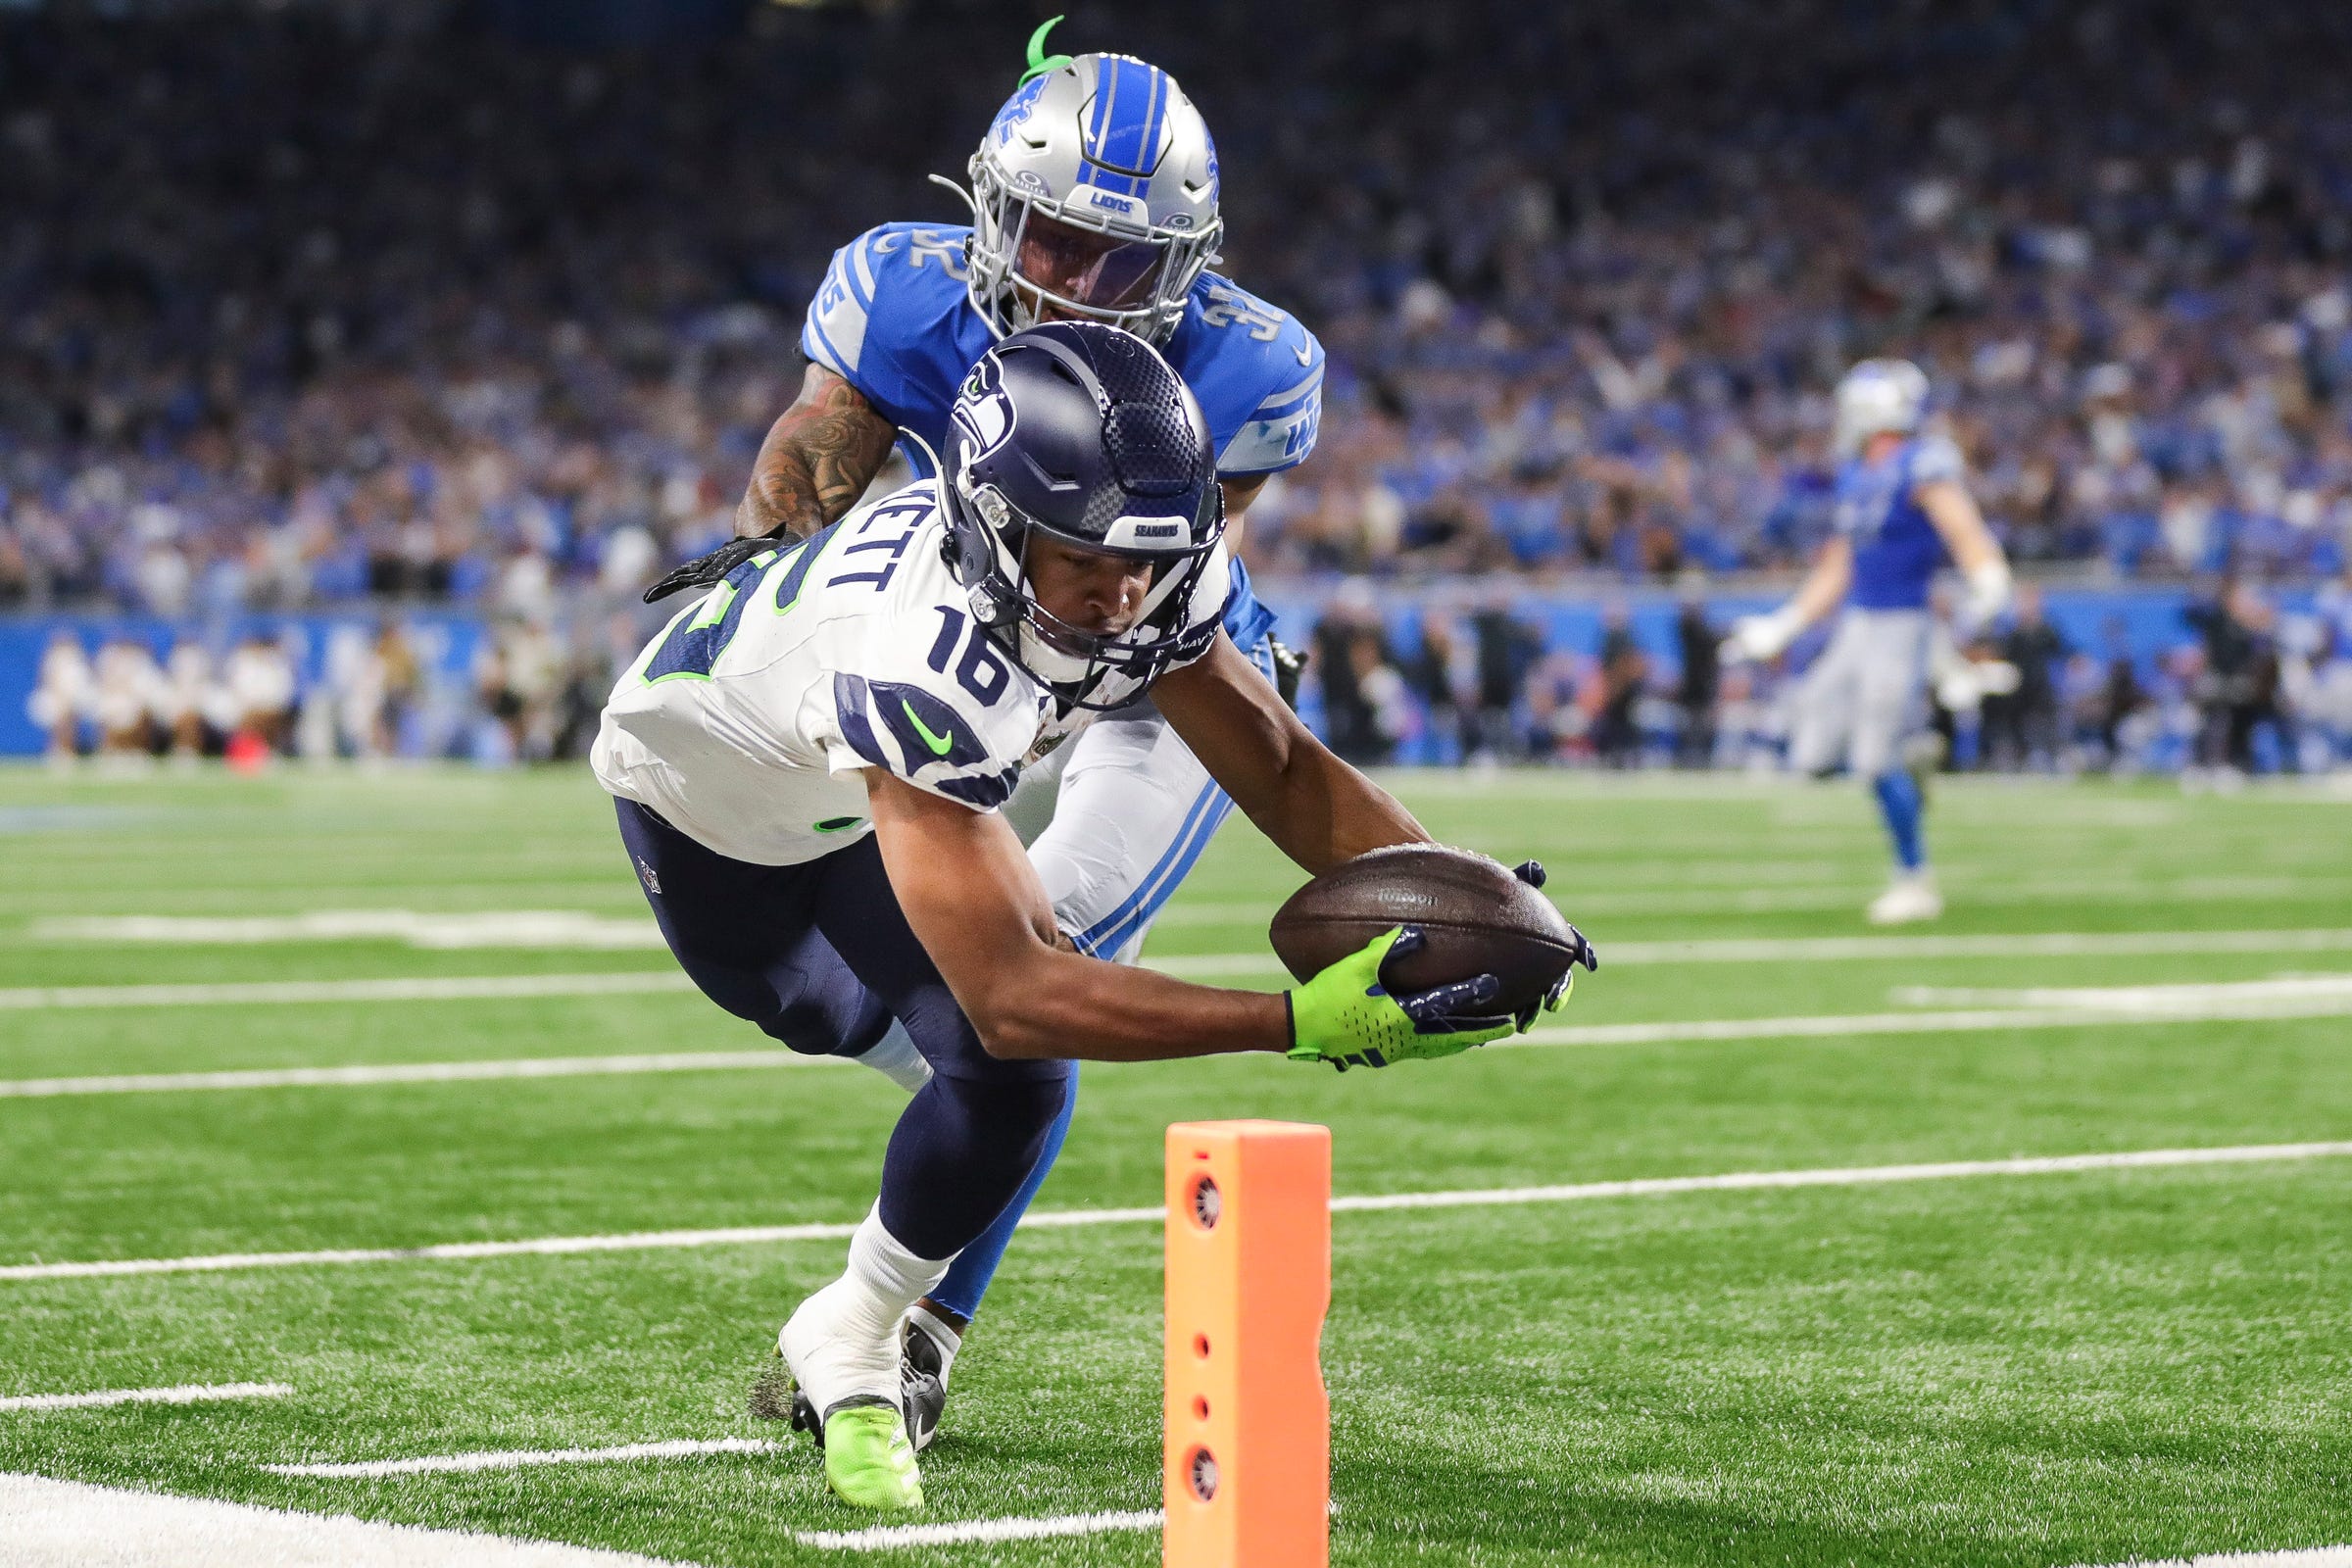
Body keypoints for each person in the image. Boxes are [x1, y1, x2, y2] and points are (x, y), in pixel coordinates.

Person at [593, 324, 1592, 1510]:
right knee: (909, 1022)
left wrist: (1469, 895)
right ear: (992, 524)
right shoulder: (923, 657)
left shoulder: (1146, 567)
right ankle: (876, 1308)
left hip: (859, 789)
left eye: (1146, 554)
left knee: (1008, 1079)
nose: (1121, 589)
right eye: (1080, 552)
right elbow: (1017, 997)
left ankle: (854, 1327)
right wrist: (1296, 1022)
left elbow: (1276, 766)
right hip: (718, 820)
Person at [651, 24, 1327, 1439]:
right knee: (990, 1009)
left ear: (1188, 266)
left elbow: (1167, 596)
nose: (1073, 286)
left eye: (1121, 263)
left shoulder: (1251, 370)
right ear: (989, 211)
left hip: (1155, 677)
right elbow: (805, 462)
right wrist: (783, 562)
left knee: (1035, 989)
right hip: (980, 633)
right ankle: (909, 1270)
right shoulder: (905, 289)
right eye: (1052, 242)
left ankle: (915, 1331)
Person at [1722, 360, 2012, 923]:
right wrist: (1784, 623)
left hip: (1904, 626)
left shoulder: (1922, 461)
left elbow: (1962, 525)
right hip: (1857, 626)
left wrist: (1986, 572)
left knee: (1874, 762)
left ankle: (1915, 879)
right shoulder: (1857, 474)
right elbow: (1839, 565)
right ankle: (1913, 752)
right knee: (1810, 756)